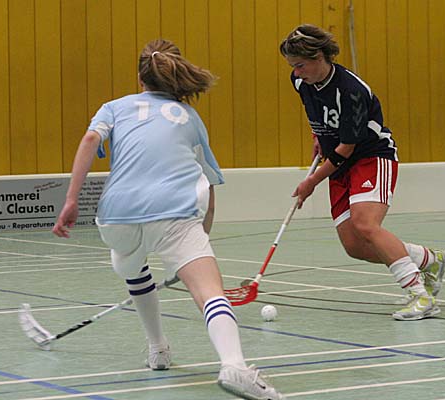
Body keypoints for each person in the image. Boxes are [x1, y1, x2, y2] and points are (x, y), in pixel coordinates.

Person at [52, 39, 284, 400]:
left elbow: (89, 139)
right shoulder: (190, 118)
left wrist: (70, 201)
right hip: (174, 214)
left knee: (130, 266)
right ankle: (235, 366)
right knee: (209, 292)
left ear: (140, 78)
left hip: (115, 218)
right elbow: (208, 184)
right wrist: (198, 244)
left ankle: (158, 349)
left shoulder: (114, 107)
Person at [279, 24, 445, 321]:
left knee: (365, 224)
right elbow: (315, 111)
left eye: (300, 65)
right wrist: (318, 135)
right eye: (292, 66)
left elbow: (347, 147)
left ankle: (420, 295)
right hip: (340, 164)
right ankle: (428, 259)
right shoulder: (300, 82)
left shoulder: (351, 91)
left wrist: (312, 181)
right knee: (354, 246)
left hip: (371, 156)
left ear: (319, 57)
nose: (296, 72)